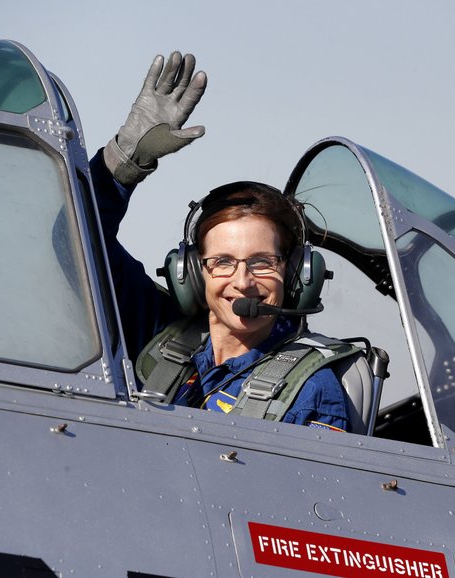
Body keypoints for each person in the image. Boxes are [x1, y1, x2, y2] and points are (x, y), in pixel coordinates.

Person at [90, 52, 356, 432]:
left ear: (296, 274)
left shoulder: (310, 389)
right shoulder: (157, 332)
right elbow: (76, 246)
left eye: (263, 262)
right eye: (223, 262)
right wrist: (124, 160)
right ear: (191, 273)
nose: (243, 282)